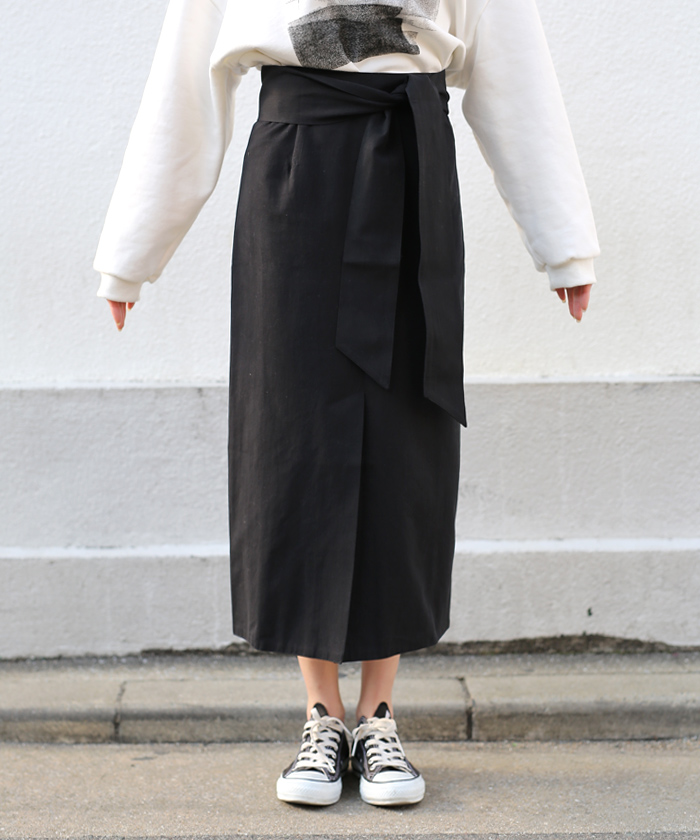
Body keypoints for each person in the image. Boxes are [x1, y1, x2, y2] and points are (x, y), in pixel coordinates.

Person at [95, 0, 598, 809]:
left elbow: (513, 67)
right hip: (297, 173)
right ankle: (321, 715)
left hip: (411, 164)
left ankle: (380, 715)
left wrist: (563, 244)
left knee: (403, 439)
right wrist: (132, 253)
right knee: (296, 435)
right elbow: (186, 77)